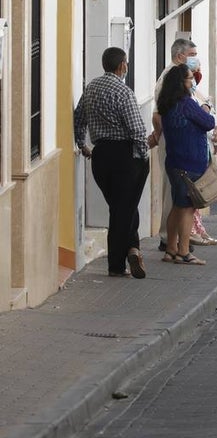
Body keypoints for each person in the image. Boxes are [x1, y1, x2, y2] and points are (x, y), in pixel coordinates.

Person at [74, 47, 152, 279]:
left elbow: (78, 119)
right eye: (126, 63)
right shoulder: (124, 92)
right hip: (125, 156)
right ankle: (117, 265)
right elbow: (137, 129)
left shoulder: (90, 89)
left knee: (121, 207)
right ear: (121, 66)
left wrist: (82, 145)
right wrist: (143, 155)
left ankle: (132, 248)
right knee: (122, 211)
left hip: (101, 156)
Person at [152, 38, 217, 250]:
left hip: (181, 152)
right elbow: (159, 116)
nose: (195, 60)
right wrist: (207, 110)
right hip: (183, 153)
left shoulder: (180, 83)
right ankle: (177, 245)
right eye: (192, 55)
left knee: (180, 201)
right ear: (180, 56)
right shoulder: (172, 81)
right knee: (182, 202)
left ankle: (175, 244)